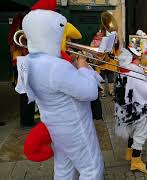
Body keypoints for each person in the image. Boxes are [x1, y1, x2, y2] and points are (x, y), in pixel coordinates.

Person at [15, 0, 104, 179]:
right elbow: (90, 92)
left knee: (64, 168)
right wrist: (83, 66)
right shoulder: (56, 66)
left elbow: (57, 84)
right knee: (92, 169)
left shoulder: (29, 62)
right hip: (74, 128)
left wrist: (72, 63)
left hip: (55, 127)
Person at [114, 46, 147, 174]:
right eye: (137, 58)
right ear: (133, 59)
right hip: (138, 109)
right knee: (140, 134)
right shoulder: (135, 73)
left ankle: (129, 153)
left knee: (131, 130)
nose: (139, 60)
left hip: (126, 108)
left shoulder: (122, 70)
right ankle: (136, 161)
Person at [7, 12, 35, 128]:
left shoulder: (15, 31)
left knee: (25, 92)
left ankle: (26, 120)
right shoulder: (20, 33)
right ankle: (27, 121)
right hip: (24, 64)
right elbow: (22, 49)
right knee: (27, 92)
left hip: (20, 63)